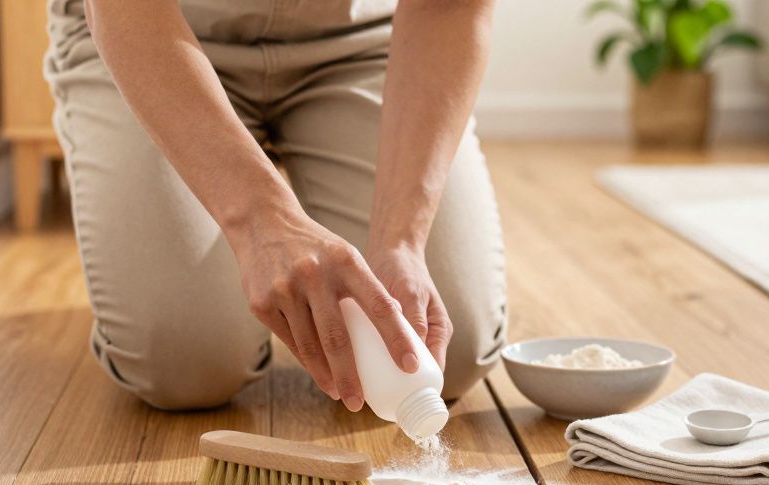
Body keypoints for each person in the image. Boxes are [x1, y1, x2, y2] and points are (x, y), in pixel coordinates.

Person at [45, 0, 507, 413]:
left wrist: (403, 240)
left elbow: (450, 6)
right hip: (162, 32)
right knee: (187, 362)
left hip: (360, 40)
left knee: (445, 344)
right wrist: (262, 220)